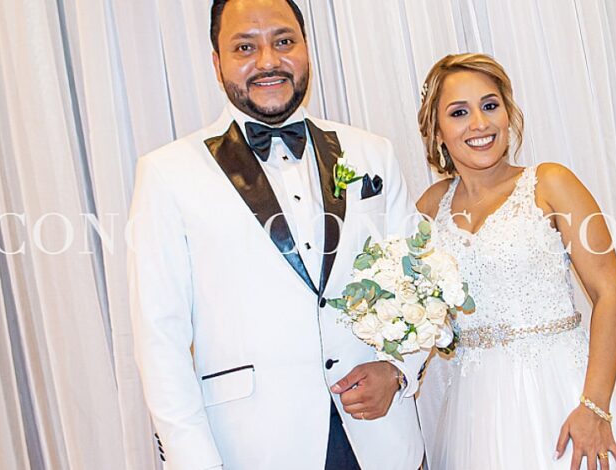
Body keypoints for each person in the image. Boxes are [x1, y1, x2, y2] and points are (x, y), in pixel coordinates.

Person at [127, 1, 425, 468]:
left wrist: (398, 369)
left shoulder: (373, 152)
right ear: (216, 63)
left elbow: (419, 275)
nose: (268, 61)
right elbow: (159, 338)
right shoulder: (167, 173)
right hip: (251, 448)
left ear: (306, 49)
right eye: (245, 47)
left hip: (379, 437)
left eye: (283, 41)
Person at [415, 53, 616, 469]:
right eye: (459, 112)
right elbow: (410, 304)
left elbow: (610, 292)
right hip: (477, 411)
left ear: (508, 114)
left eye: (490, 105)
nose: (479, 123)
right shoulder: (431, 207)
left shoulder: (550, 183)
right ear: (437, 131)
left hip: (564, 391)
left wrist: (594, 407)